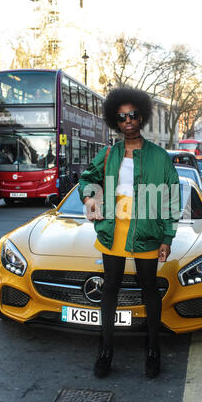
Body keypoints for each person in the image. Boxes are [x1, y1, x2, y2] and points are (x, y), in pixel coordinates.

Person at [78, 88, 180, 379]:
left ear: (142, 116)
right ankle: (106, 350)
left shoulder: (159, 156)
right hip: (113, 230)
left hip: (147, 229)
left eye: (133, 115)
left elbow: (172, 197)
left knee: (150, 290)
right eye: (121, 117)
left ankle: (153, 350)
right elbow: (87, 179)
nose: (128, 121)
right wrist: (90, 199)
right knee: (109, 289)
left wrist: (167, 237)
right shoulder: (108, 153)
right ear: (115, 121)